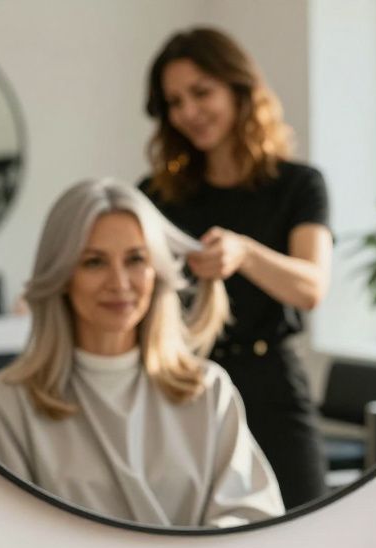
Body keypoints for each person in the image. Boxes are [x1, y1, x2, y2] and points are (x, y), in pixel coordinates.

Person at [0, 179, 284, 529]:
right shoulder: (9, 403)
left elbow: (252, 517)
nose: (119, 283)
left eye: (136, 259)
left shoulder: (208, 390)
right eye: (94, 262)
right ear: (61, 276)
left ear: (157, 271)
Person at [140, 27, 332, 510]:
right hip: (183, 387)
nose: (188, 112)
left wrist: (245, 253)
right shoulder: (156, 196)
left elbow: (311, 288)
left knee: (302, 526)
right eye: (175, 101)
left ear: (239, 88)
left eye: (201, 93)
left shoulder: (298, 185)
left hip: (273, 388)